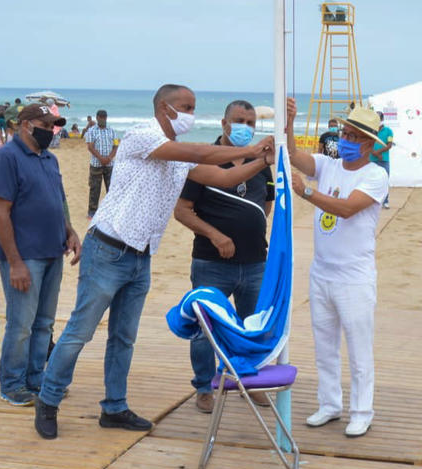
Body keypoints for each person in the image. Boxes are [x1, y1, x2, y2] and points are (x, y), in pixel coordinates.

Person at [33, 84, 274, 440]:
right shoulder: (141, 135)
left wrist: (260, 161)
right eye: (185, 106)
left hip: (141, 254)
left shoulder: (183, 154)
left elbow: (222, 177)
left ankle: (114, 407)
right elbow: (196, 152)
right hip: (108, 248)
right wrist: (252, 148)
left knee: (124, 337)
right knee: (80, 331)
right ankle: (48, 399)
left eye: (193, 106)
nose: (191, 113)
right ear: (165, 107)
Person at [286, 97, 390, 438]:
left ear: (367, 144)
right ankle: (329, 404)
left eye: (351, 135)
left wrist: (308, 194)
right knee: (324, 344)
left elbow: (347, 209)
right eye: (343, 132)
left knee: (359, 348)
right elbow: (295, 157)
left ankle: (362, 411)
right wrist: (289, 123)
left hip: (354, 277)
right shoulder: (328, 165)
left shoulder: (375, 176)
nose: (343, 139)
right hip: (322, 273)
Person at [174, 99, 275, 413]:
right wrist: (216, 234)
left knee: (252, 326)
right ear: (223, 123)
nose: (244, 127)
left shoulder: (262, 163)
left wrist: (251, 226)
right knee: (206, 329)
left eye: (250, 122)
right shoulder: (204, 162)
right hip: (212, 262)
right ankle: (204, 387)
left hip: (255, 262)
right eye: (238, 120)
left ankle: (249, 382)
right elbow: (181, 211)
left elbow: (267, 203)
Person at [0, 104, 81, 406]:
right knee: (21, 323)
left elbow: (59, 200)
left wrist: (70, 231)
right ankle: (12, 383)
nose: (52, 131)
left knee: (44, 322)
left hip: (53, 252)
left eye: (55, 125)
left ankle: (35, 377)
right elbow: (0, 213)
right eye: (47, 124)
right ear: (26, 125)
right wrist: (15, 262)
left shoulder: (49, 160)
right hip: (24, 256)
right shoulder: (6, 158)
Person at [84, 109, 118, 219]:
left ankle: (111, 211)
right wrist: (100, 158)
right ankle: (92, 212)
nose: (103, 119)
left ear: (106, 118)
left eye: (104, 117)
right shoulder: (92, 131)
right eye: (101, 117)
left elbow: (115, 146)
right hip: (96, 165)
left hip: (109, 165)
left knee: (111, 188)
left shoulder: (112, 131)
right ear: (97, 117)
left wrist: (109, 158)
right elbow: (90, 147)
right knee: (95, 188)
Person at [370, 112, 394, 208]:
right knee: (371, 180)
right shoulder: (371, 131)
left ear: (382, 119)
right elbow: (367, 143)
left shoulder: (388, 131)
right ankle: (371, 201)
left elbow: (389, 145)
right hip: (371, 159)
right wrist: (374, 153)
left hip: (384, 160)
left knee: (384, 180)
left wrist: (378, 152)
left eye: (378, 119)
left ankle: (385, 201)